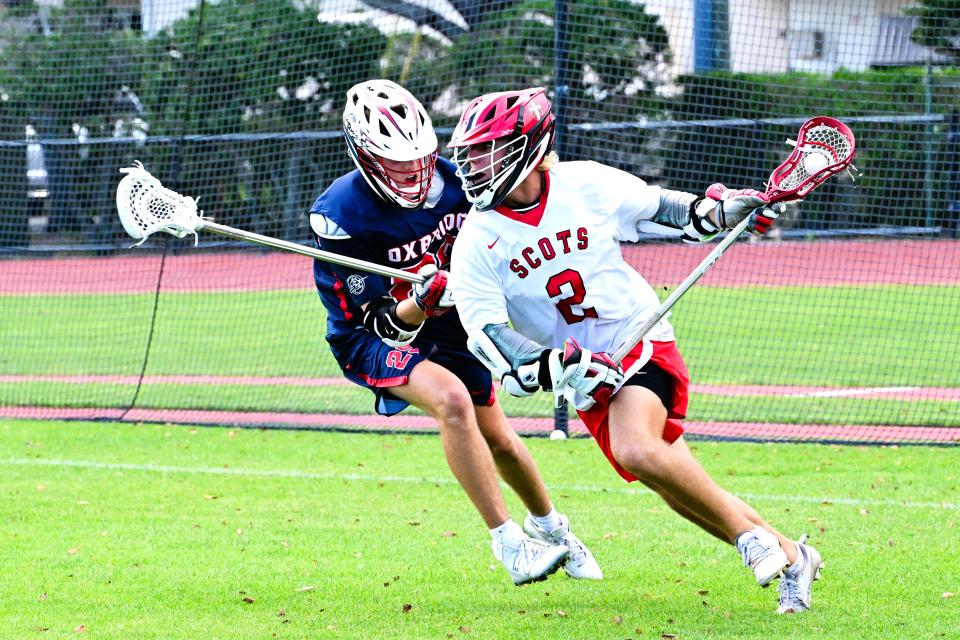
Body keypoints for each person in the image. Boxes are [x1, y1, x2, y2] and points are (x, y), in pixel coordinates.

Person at [446, 87, 822, 614]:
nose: (476, 166)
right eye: (471, 154)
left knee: (637, 449)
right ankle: (792, 553)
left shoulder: (586, 184)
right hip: (585, 378)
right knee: (677, 489)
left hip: (639, 337)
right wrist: (557, 365)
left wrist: (720, 211)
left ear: (528, 146)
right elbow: (490, 339)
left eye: (490, 150)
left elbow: (667, 211)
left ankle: (748, 538)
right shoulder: (475, 242)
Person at [309, 80, 602, 586]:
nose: (413, 173)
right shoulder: (340, 216)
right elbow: (381, 324)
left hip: (450, 324)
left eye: (419, 158)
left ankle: (554, 530)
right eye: (396, 163)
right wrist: (422, 300)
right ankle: (509, 544)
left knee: (503, 440)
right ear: (363, 155)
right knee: (451, 401)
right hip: (372, 336)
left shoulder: (459, 182)